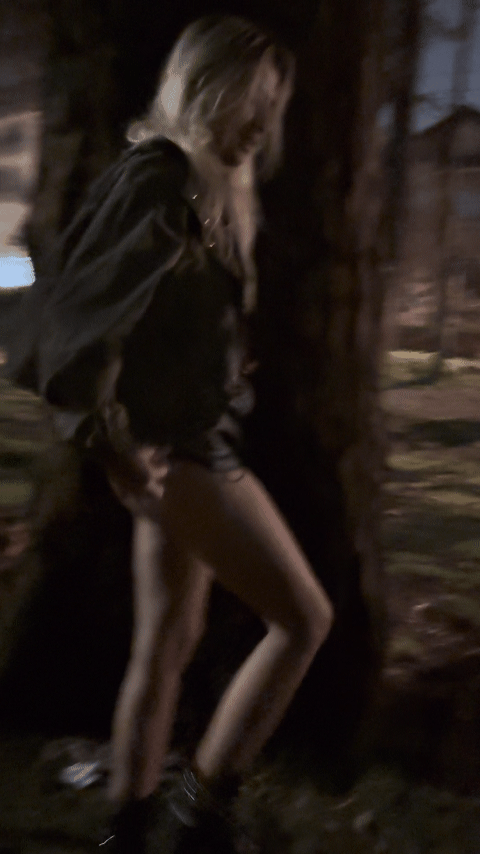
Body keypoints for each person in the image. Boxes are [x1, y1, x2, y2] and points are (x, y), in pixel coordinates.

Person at [13, 15, 334, 854]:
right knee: (304, 620)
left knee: (166, 645)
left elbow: (160, 315)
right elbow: (73, 320)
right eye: (248, 100)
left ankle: (127, 829)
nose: (261, 123)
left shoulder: (204, 187)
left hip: (186, 441)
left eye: (272, 106)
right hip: (185, 456)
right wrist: (108, 440)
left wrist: (219, 366)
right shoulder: (160, 177)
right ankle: (203, 813)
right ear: (205, 86)